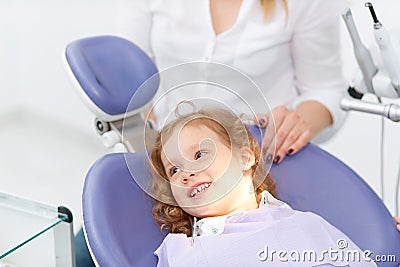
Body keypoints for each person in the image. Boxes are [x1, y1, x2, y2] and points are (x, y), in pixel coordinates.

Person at [148, 106, 375, 266]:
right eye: (174, 170)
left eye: (200, 154)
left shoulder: (305, 224)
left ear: (245, 158)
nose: (186, 172)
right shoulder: (179, 250)